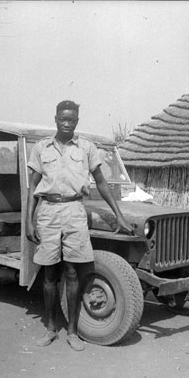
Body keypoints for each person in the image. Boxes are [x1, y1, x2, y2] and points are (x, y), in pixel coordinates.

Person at [26, 100, 134, 351]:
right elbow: (32, 188)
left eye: (71, 119)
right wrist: (29, 221)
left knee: (73, 273)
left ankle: (72, 332)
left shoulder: (87, 148)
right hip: (48, 212)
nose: (67, 123)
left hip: (75, 211)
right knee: (50, 274)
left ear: (77, 121)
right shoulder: (41, 148)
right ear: (55, 119)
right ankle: (51, 328)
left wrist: (118, 215)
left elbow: (102, 182)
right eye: (63, 118)